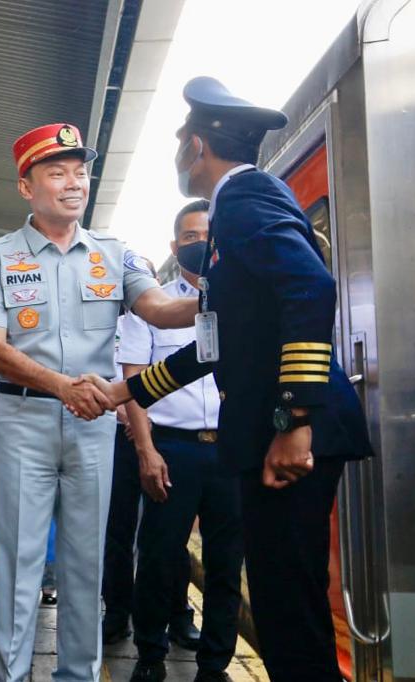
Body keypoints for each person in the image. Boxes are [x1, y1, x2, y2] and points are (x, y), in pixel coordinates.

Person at [93, 78, 373, 682]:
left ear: (197, 147)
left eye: (178, 146)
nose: (176, 157)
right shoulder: (232, 210)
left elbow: (311, 287)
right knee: (281, 601)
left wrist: (295, 422)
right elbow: (217, 345)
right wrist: (124, 392)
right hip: (273, 432)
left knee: (289, 608)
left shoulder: (244, 198)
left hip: (291, 435)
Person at [0, 123, 199, 681]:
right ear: (26, 186)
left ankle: (77, 675)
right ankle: (10, 676)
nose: (74, 184)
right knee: (20, 563)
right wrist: (62, 386)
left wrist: (218, 290)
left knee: (84, 565)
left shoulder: (117, 255)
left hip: (93, 428)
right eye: (56, 172)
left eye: (80, 172)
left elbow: (162, 309)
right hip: (24, 419)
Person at [120, 200, 242, 682]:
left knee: (226, 561)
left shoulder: (241, 302)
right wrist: (146, 450)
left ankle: (214, 664)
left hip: (231, 448)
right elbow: (132, 381)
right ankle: (150, 655)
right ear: (175, 246)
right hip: (172, 447)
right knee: (158, 554)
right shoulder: (150, 306)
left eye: (208, 235)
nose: (200, 244)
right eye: (190, 237)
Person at [103, 264, 199, 652]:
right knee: (118, 529)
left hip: (160, 432)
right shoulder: (105, 322)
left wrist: (139, 418)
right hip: (118, 432)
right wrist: (125, 414)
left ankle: (179, 612)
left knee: (166, 533)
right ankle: (116, 611)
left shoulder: (162, 314)